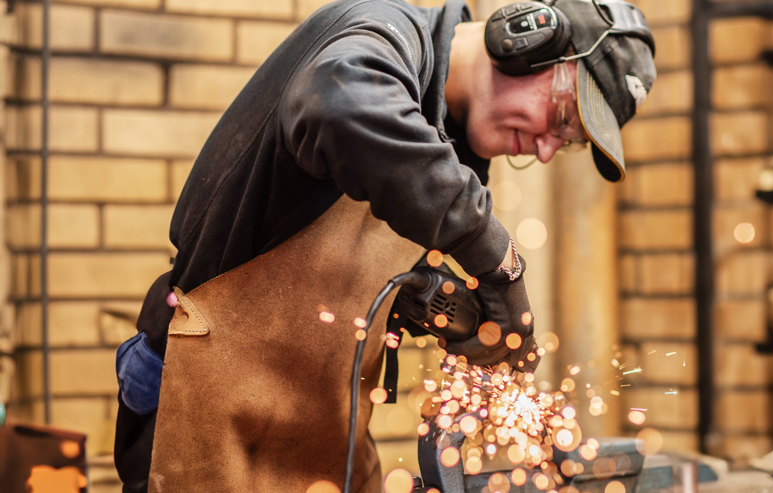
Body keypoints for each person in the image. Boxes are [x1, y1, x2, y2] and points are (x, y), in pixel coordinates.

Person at [113, 0, 655, 491]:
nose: (546, 150)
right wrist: (499, 261)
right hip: (204, 401)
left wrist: (442, 314)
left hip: (320, 429)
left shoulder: (456, 151)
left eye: (567, 142)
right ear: (523, 39)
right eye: (562, 117)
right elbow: (338, 105)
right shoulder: (384, 33)